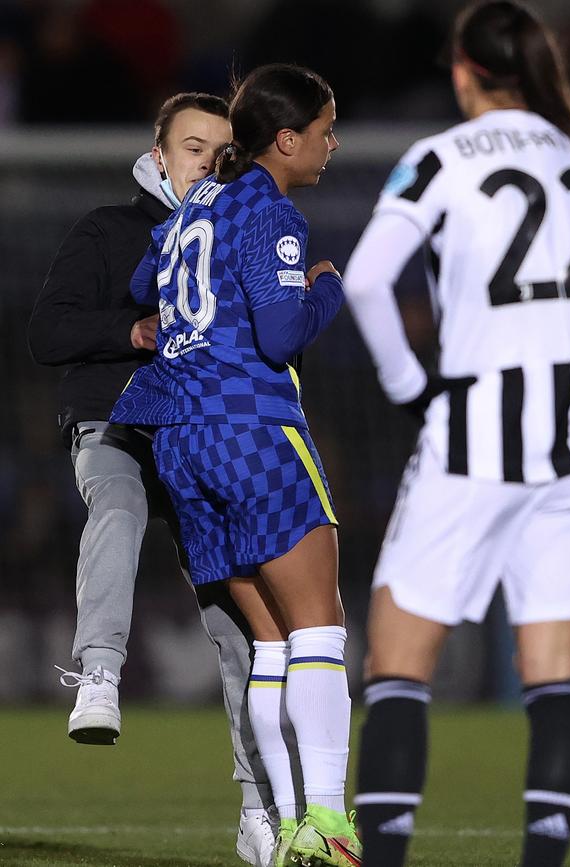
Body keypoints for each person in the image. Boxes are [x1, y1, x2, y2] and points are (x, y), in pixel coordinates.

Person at [343, 2, 570, 865]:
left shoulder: (439, 158)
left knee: (399, 669)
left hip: (473, 435)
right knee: (554, 678)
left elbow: (368, 283)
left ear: (463, 70)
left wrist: (411, 388)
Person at [110, 64, 362, 867]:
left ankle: (288, 827)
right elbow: (282, 335)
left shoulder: (194, 210)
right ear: (285, 140)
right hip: (252, 430)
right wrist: (328, 289)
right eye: (324, 130)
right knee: (318, 628)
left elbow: (142, 281)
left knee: (270, 642)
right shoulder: (269, 212)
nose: (330, 144)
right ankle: (326, 822)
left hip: (183, 441)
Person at [28, 92, 276, 867]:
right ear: (160, 153)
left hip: (203, 436)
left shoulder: (243, 239)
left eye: (221, 148)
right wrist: (130, 328)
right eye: (193, 145)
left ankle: (259, 807)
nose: (208, 159)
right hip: (117, 420)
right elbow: (48, 331)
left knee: (238, 627)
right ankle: (99, 672)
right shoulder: (109, 229)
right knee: (120, 504)